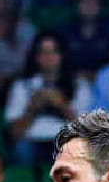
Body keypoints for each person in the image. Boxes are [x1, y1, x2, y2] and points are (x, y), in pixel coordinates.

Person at [5, 30, 94, 165]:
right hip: (31, 142)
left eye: (53, 52)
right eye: (43, 52)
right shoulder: (22, 86)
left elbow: (87, 132)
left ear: (62, 55)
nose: (48, 57)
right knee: (20, 149)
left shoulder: (79, 86)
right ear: (36, 57)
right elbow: (14, 134)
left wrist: (62, 105)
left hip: (65, 144)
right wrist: (32, 108)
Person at [59, 0, 109, 80]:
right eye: (85, 0)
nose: (89, 6)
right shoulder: (63, 33)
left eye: (94, 1)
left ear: (101, 5)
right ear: (77, 3)